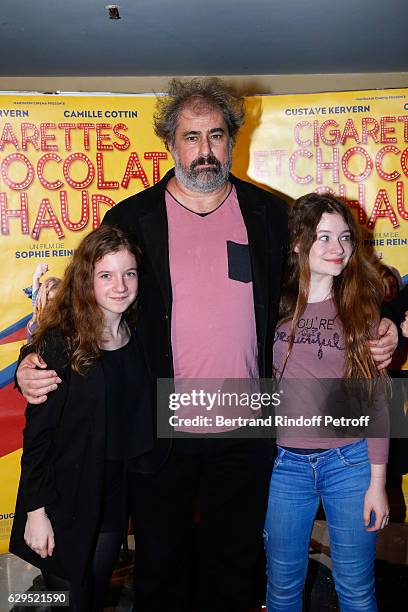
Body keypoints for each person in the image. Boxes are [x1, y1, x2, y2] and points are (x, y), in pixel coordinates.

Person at [15, 79, 398, 612]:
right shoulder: (131, 219)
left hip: (248, 426)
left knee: (237, 569)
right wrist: (29, 360)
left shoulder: (270, 217)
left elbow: (344, 272)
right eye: (190, 137)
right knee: (160, 570)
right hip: (161, 424)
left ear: (232, 141)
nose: (204, 149)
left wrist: (389, 321)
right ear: (170, 144)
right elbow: (86, 299)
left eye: (215, 135)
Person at [10, 225, 152, 611]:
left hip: (109, 499)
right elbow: (37, 437)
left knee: (93, 597)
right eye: (106, 275)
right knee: (70, 602)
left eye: (129, 273)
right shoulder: (60, 342)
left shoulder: (139, 336)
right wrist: (35, 513)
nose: (120, 286)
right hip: (60, 500)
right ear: (86, 279)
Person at [263, 193, 390, 611]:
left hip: (349, 465)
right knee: (282, 589)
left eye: (345, 238)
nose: (338, 248)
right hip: (283, 468)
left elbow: (375, 402)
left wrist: (377, 483)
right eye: (323, 237)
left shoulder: (359, 310)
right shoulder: (270, 307)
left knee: (355, 590)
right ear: (298, 242)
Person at [22, 263, 61, 340]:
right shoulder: (36, 325)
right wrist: (36, 278)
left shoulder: (35, 324)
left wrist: (36, 278)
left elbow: (37, 301)